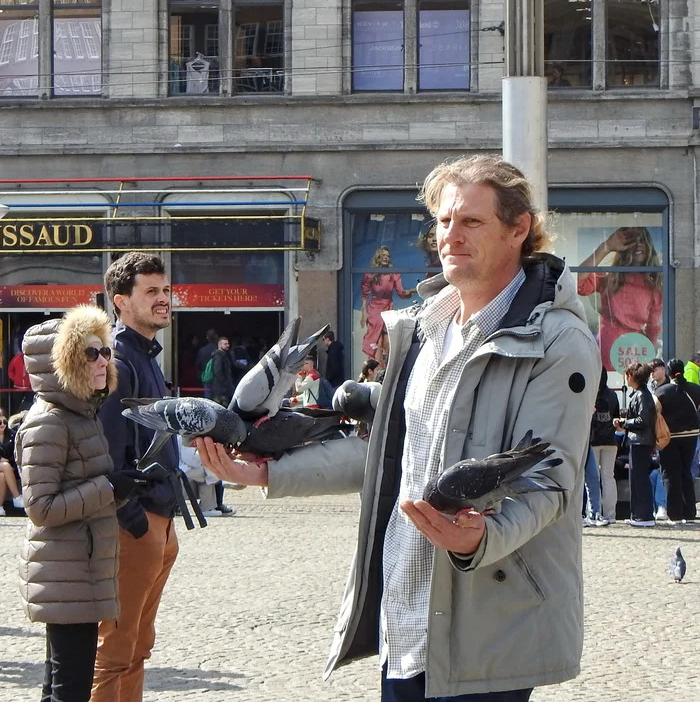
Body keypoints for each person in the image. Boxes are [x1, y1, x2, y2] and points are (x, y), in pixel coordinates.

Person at [196, 154, 600, 700]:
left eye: (471, 222)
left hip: (486, 620)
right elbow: (387, 455)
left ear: (519, 229)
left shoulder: (557, 342)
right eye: (443, 221)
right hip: (405, 611)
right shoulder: (421, 331)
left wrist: (479, 537)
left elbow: (550, 482)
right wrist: (270, 473)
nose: (450, 236)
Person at [16, 305, 151, 702]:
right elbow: (40, 506)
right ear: (64, 364)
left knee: (60, 686)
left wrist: (121, 490)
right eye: (90, 353)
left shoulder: (81, 414)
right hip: (66, 572)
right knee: (70, 690)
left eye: (105, 351)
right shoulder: (51, 421)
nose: (103, 361)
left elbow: (84, 486)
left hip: (79, 570)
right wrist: (108, 487)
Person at [91, 252, 180, 702]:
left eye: (165, 290)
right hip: (134, 525)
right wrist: (134, 519)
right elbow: (104, 453)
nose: (163, 299)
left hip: (160, 520)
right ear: (120, 301)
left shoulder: (146, 357)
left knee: (138, 647)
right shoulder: (116, 363)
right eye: (151, 292)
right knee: (114, 651)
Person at [577, 227, 662, 371]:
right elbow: (579, 282)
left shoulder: (653, 287)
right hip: (606, 355)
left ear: (649, 246)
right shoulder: (610, 278)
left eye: (642, 240)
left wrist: (649, 364)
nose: (638, 244)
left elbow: (653, 330)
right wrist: (606, 247)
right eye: (633, 241)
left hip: (636, 355)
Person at [653, 359, 700, 524]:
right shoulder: (696, 389)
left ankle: (675, 513)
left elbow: (655, 414)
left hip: (671, 437)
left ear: (669, 372)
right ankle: (690, 511)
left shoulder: (662, 392)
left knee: (670, 474)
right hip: (692, 435)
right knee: (686, 471)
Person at [613, 362, 656, 527]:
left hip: (640, 441)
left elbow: (642, 420)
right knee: (636, 478)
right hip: (639, 441)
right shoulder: (641, 394)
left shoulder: (642, 395)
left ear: (632, 376)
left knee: (639, 478)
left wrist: (624, 422)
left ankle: (644, 515)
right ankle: (638, 514)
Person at [360, 246, 415, 367]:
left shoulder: (393, 273)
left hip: (388, 307)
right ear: (378, 257)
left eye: (388, 256)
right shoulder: (371, 274)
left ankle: (384, 367)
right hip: (374, 308)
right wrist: (364, 312)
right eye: (383, 255)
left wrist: (411, 292)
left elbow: (401, 292)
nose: (386, 258)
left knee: (386, 340)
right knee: (375, 340)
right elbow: (365, 293)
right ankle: (373, 367)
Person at [589, 367, 620, 523]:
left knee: (592, 478)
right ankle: (610, 514)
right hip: (610, 440)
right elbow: (616, 417)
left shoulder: (590, 394)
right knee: (608, 477)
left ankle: (594, 513)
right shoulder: (613, 395)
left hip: (593, 440)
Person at [0, 407, 24, 515]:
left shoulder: (12, 435)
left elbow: (15, 454)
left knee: (2, 476)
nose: (2, 424)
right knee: (5, 466)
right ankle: (17, 497)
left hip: (8, 468)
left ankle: (0, 507)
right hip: (5, 466)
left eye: (4, 421)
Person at [211, 336, 234, 406]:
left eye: (228, 343)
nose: (228, 345)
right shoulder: (219, 356)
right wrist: (225, 384)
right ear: (220, 345)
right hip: (220, 389)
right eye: (225, 344)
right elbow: (217, 371)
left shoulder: (224, 355)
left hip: (222, 389)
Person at [196, 328, 218, 398]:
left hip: (206, 376)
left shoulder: (202, 350)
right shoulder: (219, 349)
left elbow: (198, 365)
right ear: (216, 336)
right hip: (218, 378)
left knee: (207, 397)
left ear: (207, 338)